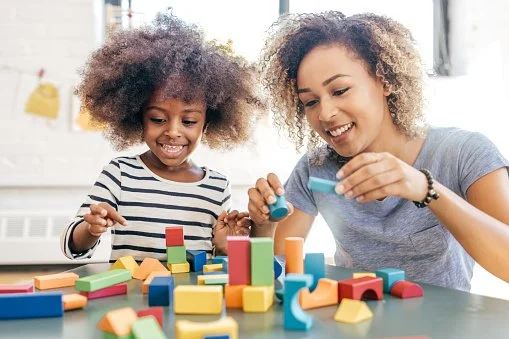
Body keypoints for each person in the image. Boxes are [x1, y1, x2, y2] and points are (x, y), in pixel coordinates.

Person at [248, 11, 509, 291]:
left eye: (339, 90)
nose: (325, 113)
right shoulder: (316, 167)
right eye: (310, 102)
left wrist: (425, 188)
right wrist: (263, 225)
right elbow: (272, 273)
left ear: (384, 81)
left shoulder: (463, 153)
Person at [61, 13, 264, 261]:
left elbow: (212, 263)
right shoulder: (121, 174)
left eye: (188, 121)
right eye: (158, 119)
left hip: (189, 299)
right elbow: (73, 246)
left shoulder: (217, 187)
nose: (173, 132)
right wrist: (91, 229)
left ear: (207, 123)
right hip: (133, 298)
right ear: (138, 116)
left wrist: (224, 248)